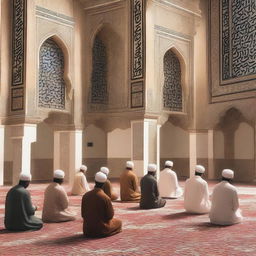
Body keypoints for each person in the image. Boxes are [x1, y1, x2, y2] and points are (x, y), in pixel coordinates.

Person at [81, 171, 122, 237]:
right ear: (104, 184)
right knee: (119, 222)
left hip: (87, 230)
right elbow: (110, 216)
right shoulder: (105, 197)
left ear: (95, 181)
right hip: (101, 230)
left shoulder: (85, 195)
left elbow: (83, 214)